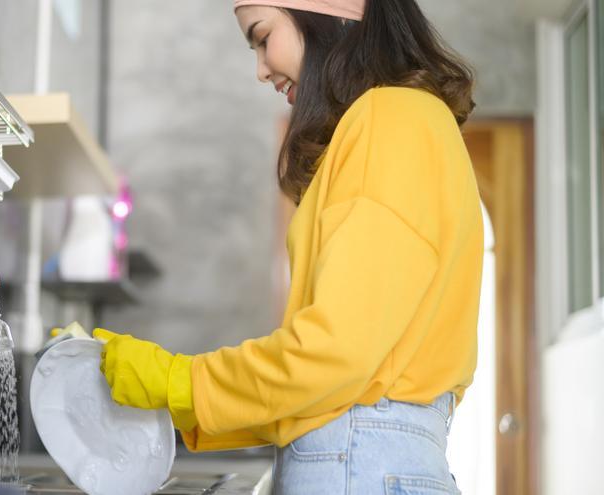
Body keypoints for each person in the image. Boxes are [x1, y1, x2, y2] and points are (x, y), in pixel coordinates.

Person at [92, 1, 482, 493]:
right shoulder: (406, 121)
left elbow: (333, 353)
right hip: (369, 457)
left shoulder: (389, 117)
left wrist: (176, 380)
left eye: (262, 36)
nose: (260, 69)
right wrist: (172, 400)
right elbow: (336, 384)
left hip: (356, 462)